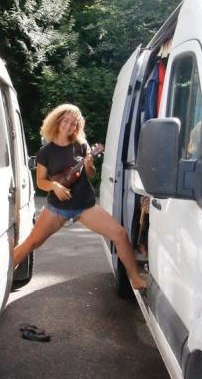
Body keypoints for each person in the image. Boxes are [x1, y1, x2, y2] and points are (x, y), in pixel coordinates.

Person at [13, 103, 147, 290]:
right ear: (58, 121)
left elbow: (90, 174)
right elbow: (41, 182)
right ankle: (0, 277)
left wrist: (90, 163)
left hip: (85, 206)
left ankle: (135, 279)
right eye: (66, 121)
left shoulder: (81, 146)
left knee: (120, 234)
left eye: (74, 123)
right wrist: (54, 185)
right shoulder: (46, 152)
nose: (69, 126)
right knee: (31, 243)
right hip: (57, 208)